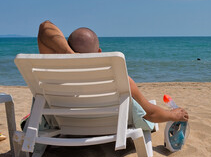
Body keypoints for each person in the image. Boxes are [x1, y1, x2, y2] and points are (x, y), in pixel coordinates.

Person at [37, 20, 189, 124]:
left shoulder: (56, 72)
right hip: (106, 129)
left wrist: (70, 56)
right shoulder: (118, 79)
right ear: (99, 52)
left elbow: (45, 27)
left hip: (65, 125)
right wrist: (173, 115)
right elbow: (150, 114)